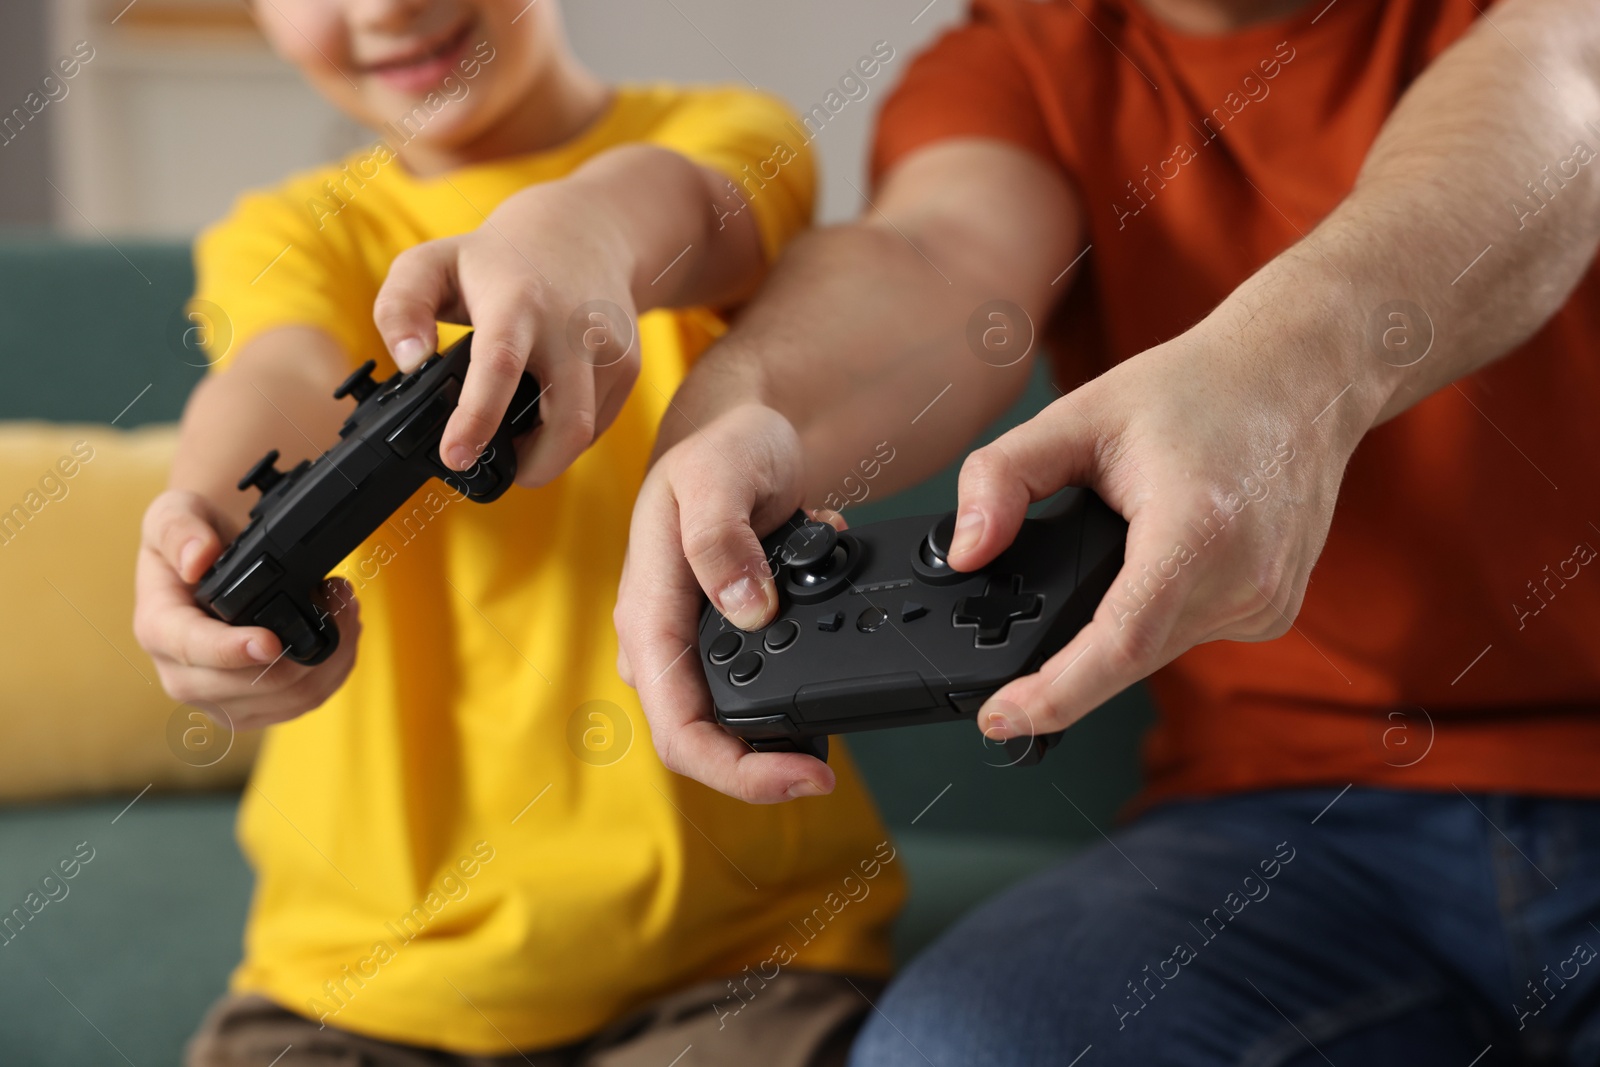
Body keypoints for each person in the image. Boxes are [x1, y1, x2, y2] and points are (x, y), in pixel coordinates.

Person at [594, 0, 1592, 1060]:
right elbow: (936, 254)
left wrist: (1285, 368)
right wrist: (747, 407)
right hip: (1285, 827)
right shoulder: (1022, 56)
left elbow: (1554, 99)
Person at [130, 1, 903, 1064]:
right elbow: (277, 376)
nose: (383, 7)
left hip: (741, 964)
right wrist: (205, 533)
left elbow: (691, 212)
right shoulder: (289, 232)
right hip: (351, 990)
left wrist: (576, 236)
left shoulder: (721, 131)